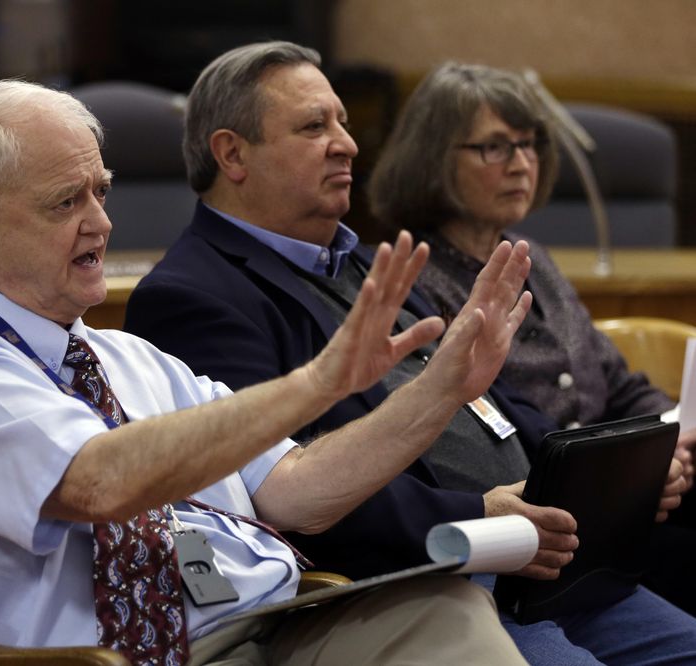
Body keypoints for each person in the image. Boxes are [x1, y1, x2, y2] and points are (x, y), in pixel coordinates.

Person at [0, 79, 538, 666]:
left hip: (267, 623)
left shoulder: (130, 359)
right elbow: (100, 481)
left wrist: (440, 389)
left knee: (443, 611)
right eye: (65, 202)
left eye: (100, 191)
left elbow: (298, 490)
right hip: (117, 657)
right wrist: (318, 383)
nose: (101, 222)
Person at [123, 41, 696, 664]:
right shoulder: (192, 295)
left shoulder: (370, 264)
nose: (346, 144)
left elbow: (491, 409)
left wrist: (601, 477)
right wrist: (478, 514)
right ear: (233, 154)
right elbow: (282, 493)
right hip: (429, 580)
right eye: (315, 126)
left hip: (540, 560)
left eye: (342, 122)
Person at [367, 60, 696, 612]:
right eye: (495, 147)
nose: (522, 163)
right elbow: (465, 439)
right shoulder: (412, 278)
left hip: (622, 494)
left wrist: (670, 441)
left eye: (529, 144)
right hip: (545, 521)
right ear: (433, 157)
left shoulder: (534, 258)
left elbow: (618, 381)